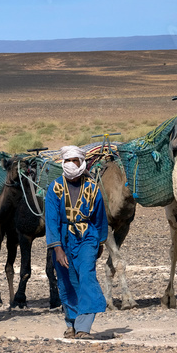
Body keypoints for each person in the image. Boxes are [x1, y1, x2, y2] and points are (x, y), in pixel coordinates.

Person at [45, 145, 108, 339]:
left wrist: (100, 242)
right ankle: (71, 323)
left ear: (82, 163)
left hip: (87, 237)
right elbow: (51, 220)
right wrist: (57, 248)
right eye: (68, 161)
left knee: (87, 276)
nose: (71, 165)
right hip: (63, 238)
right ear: (63, 163)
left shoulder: (92, 189)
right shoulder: (54, 188)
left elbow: (100, 218)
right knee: (67, 281)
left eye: (75, 161)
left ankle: (84, 326)